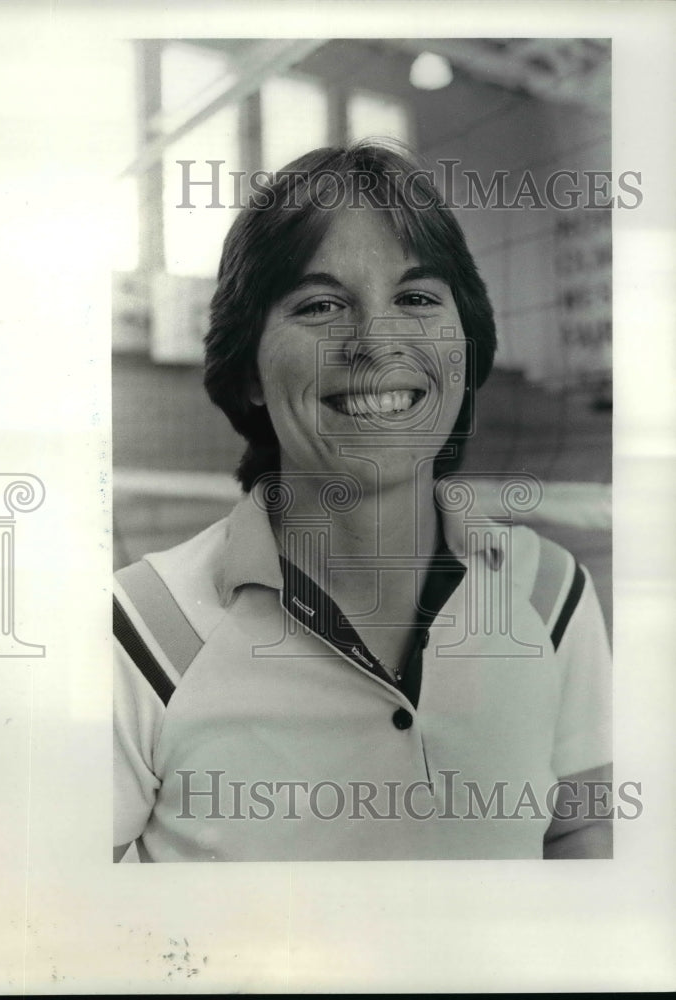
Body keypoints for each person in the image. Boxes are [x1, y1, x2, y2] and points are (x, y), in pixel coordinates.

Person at [113, 142, 612, 862]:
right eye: (319, 305)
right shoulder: (138, 632)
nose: (376, 341)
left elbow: (580, 830)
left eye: (415, 298)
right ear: (248, 367)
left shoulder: (551, 592)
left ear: (465, 346)